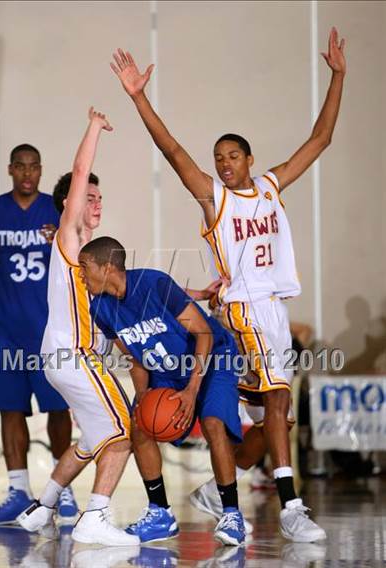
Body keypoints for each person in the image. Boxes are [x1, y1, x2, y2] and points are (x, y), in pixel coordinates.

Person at [110, 27, 346, 542]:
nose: (222, 163)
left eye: (231, 156)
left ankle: (223, 485)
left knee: (264, 426)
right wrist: (139, 98)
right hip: (244, 309)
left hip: (274, 308)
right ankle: (291, 508)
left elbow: (321, 139)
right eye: (217, 158)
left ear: (249, 159)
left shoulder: (270, 186)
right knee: (280, 398)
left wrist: (339, 76)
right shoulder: (215, 199)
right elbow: (172, 151)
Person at [17, 108, 139, 547]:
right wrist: (93, 128)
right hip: (73, 356)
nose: (97, 203)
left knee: (92, 435)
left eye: (100, 198)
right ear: (70, 205)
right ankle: (95, 517)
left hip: (63, 357)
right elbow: (81, 170)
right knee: (124, 429)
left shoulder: (89, 255)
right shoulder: (69, 239)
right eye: (89, 197)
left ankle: (42, 507)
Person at [78, 235, 247, 547]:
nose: (81, 274)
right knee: (140, 424)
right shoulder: (100, 308)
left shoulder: (154, 284)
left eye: (85, 267)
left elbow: (204, 333)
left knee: (213, 424)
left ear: (108, 267)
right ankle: (160, 513)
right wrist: (142, 399)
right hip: (166, 369)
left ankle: (232, 513)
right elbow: (135, 360)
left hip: (212, 356)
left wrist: (193, 390)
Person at [0, 144, 78, 524]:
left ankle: (63, 491)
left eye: (34, 167)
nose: (28, 173)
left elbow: (80, 256)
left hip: (49, 334)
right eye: (21, 167)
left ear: (41, 171)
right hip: (5, 333)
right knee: (10, 411)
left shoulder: (56, 209)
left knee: (58, 411)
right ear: (11, 170)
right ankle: (17, 491)